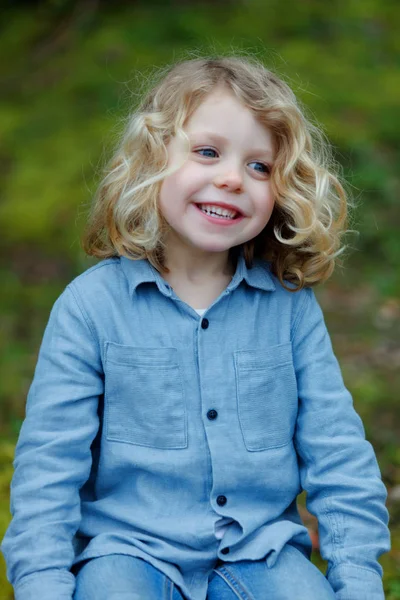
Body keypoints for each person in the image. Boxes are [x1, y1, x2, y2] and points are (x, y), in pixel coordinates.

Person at [1, 56, 390, 600]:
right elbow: (49, 467)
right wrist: (43, 583)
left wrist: (358, 579)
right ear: (151, 160)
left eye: (260, 167)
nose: (232, 178)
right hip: (128, 551)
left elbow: (338, 453)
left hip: (263, 552)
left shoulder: (289, 310)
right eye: (207, 152)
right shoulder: (90, 308)